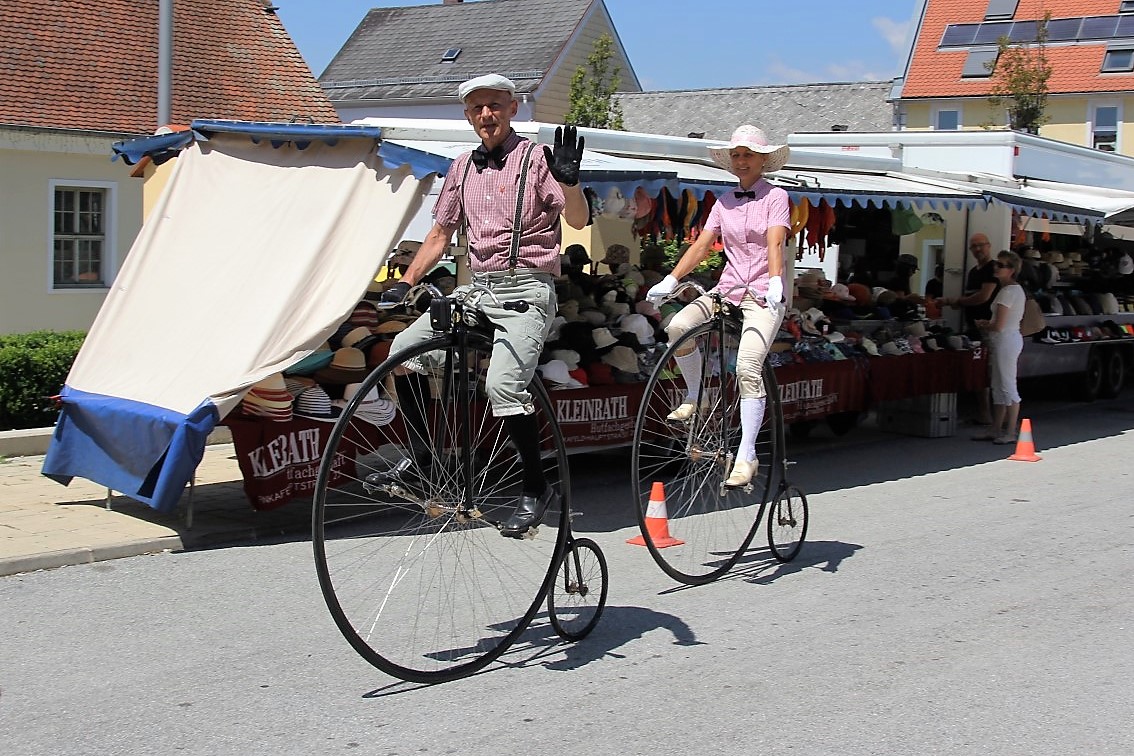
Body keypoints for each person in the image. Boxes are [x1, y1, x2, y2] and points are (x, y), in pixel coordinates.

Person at [381, 73, 589, 537]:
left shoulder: (537, 159)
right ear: (468, 116)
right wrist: (407, 281)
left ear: (513, 108)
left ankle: (536, 489)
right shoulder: (461, 168)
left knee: (503, 385)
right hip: (478, 290)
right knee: (401, 353)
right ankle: (423, 461)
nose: (486, 115)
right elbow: (439, 234)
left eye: (494, 106)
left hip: (527, 289)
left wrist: (570, 182)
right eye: (477, 108)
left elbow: (576, 219)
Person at [646, 124, 790, 488]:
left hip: (762, 293)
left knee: (747, 367)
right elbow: (700, 246)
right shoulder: (723, 202)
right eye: (737, 155)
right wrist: (672, 280)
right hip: (727, 290)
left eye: (748, 155)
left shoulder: (776, 197)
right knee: (678, 327)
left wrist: (775, 281)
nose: (741, 161)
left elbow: (775, 243)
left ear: (762, 161)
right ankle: (696, 395)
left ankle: (747, 456)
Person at [942, 232, 999, 425]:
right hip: (972, 326)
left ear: (989, 245)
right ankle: (984, 413)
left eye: (980, 245)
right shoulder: (974, 271)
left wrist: (956, 301)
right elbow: (972, 297)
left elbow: (984, 296)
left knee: (988, 371)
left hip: (988, 327)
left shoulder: (993, 268)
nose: (977, 249)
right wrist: (961, 303)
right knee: (979, 370)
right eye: (973, 246)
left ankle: (991, 417)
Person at [972, 250, 1026, 445]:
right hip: (1006, 339)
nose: (996, 267)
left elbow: (999, 324)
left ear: (1011, 270)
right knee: (999, 384)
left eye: (1001, 265)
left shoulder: (1008, 292)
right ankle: (997, 427)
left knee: (1007, 385)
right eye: (997, 264)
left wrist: (984, 324)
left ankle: (1010, 430)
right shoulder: (1013, 290)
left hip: (1004, 339)